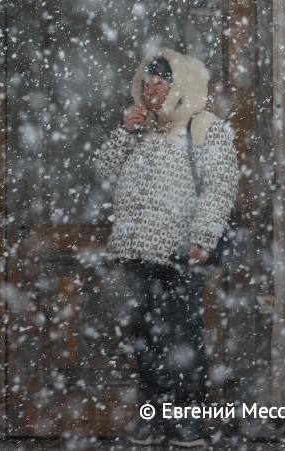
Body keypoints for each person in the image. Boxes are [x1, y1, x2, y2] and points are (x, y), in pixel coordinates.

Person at [95, 49, 237, 448]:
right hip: (135, 252)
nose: (152, 90)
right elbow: (103, 170)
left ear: (181, 86)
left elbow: (221, 185)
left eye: (161, 82)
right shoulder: (140, 127)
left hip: (179, 255)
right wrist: (123, 131)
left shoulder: (203, 127)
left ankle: (186, 422)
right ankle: (151, 418)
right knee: (144, 341)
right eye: (147, 82)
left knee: (182, 340)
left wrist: (203, 238)